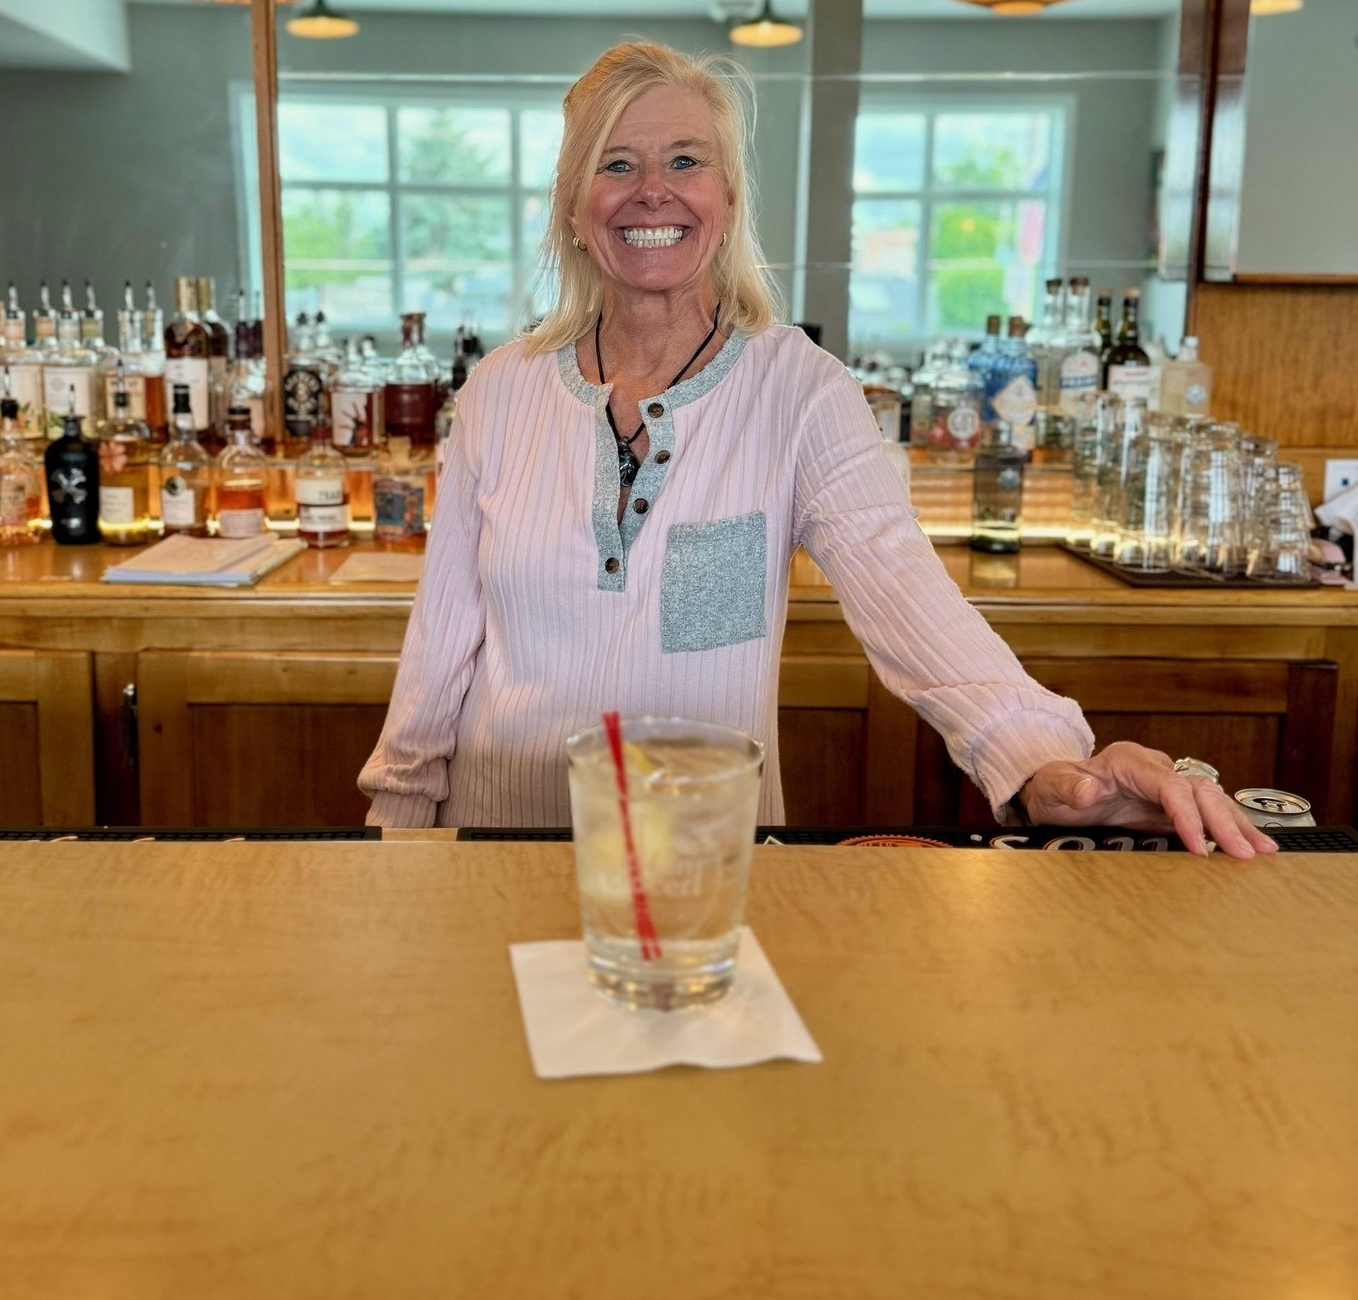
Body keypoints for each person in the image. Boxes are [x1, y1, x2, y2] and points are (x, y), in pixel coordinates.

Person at [359, 43, 1273, 858]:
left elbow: (911, 598)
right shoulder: (501, 391)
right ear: (572, 206)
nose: (653, 191)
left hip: (705, 863)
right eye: (616, 164)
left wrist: (1051, 762)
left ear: (725, 198)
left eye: (686, 160)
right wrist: (397, 829)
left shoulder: (801, 392)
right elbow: (443, 641)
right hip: (498, 848)